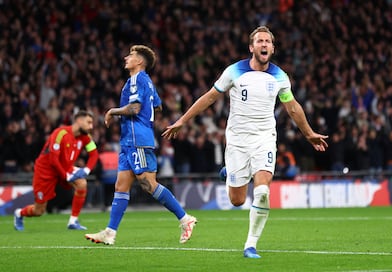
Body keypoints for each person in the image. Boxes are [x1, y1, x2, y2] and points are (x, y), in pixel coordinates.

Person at [162, 26, 328, 258]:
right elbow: (210, 97)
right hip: (238, 141)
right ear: (252, 47)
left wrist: (308, 133)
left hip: (265, 139)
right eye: (259, 41)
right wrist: (182, 120)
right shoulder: (234, 71)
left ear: (272, 48)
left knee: (262, 192)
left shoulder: (280, 76)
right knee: (237, 200)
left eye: (268, 41)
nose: (264, 44)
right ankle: (229, 172)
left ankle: (250, 245)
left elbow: (292, 107)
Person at [85, 45, 197, 245]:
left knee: (148, 184)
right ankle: (110, 233)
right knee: (121, 186)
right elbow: (158, 105)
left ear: (140, 61)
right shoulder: (145, 81)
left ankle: (185, 219)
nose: (126, 57)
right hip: (129, 140)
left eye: (131, 55)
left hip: (137, 139)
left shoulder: (138, 79)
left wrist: (112, 111)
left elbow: (136, 108)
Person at [14, 110, 98, 231]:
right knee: (39, 210)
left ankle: (73, 221)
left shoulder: (85, 137)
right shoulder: (60, 133)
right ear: (79, 121)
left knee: (82, 183)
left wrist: (86, 170)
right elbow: (53, 160)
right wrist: (66, 176)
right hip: (46, 171)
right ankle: (19, 213)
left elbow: (94, 154)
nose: (91, 126)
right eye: (89, 122)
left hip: (65, 167)